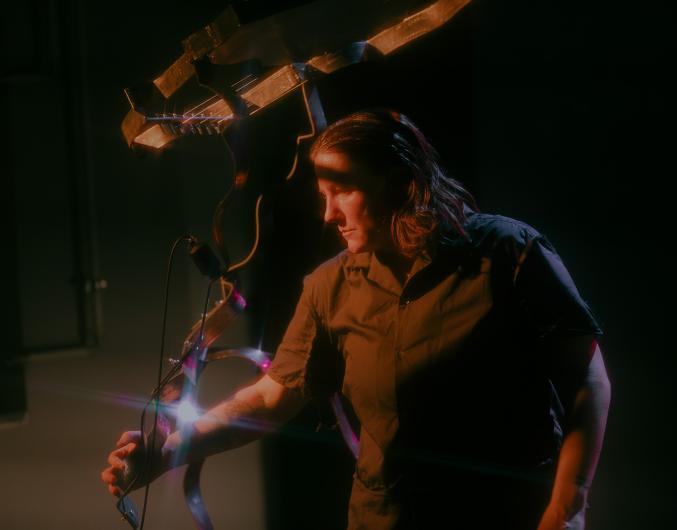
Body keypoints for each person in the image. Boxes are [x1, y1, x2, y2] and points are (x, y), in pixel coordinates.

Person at [102, 109, 611, 530]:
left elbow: (588, 380)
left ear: (399, 185)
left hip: (507, 516)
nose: (328, 214)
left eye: (341, 190)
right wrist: (168, 451)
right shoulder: (330, 286)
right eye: (322, 195)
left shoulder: (506, 253)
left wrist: (567, 507)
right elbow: (270, 397)